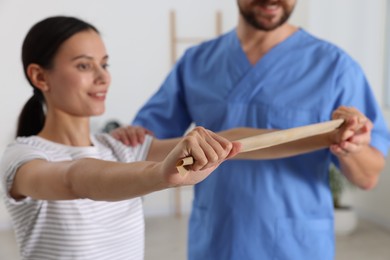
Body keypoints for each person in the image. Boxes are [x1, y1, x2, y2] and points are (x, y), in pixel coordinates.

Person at [0, 15, 364, 260]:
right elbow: (75, 178)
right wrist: (158, 175)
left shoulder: (121, 147)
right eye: (83, 65)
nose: (102, 77)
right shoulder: (22, 157)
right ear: (40, 77)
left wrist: (331, 134)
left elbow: (234, 140)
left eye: (104, 64)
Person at [113, 1, 390, 259]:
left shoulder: (334, 67)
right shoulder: (197, 62)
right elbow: (145, 146)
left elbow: (367, 177)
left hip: (296, 245)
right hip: (216, 240)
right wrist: (130, 135)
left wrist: (352, 146)